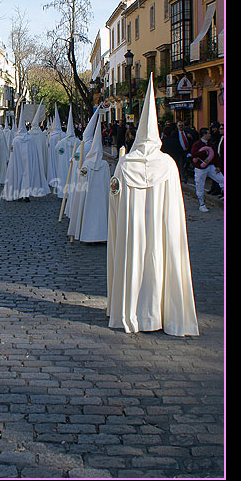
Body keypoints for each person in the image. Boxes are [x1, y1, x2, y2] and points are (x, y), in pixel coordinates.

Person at [106, 74, 199, 337]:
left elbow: (114, 198)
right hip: (160, 229)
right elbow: (175, 208)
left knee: (133, 261)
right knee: (159, 260)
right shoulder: (168, 165)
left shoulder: (124, 165)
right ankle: (159, 312)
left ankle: (132, 310)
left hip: (132, 232)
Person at [67, 111, 110, 243]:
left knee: (87, 212)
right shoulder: (104, 165)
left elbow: (79, 173)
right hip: (100, 197)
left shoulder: (86, 164)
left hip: (88, 194)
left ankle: (87, 233)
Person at [190, 128, 224, 213]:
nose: (210, 134)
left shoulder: (211, 144)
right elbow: (193, 154)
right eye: (208, 133)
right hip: (200, 168)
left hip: (211, 166)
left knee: (222, 179)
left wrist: (218, 166)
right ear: (204, 135)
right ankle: (202, 204)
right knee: (200, 184)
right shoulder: (197, 144)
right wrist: (204, 152)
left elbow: (216, 156)